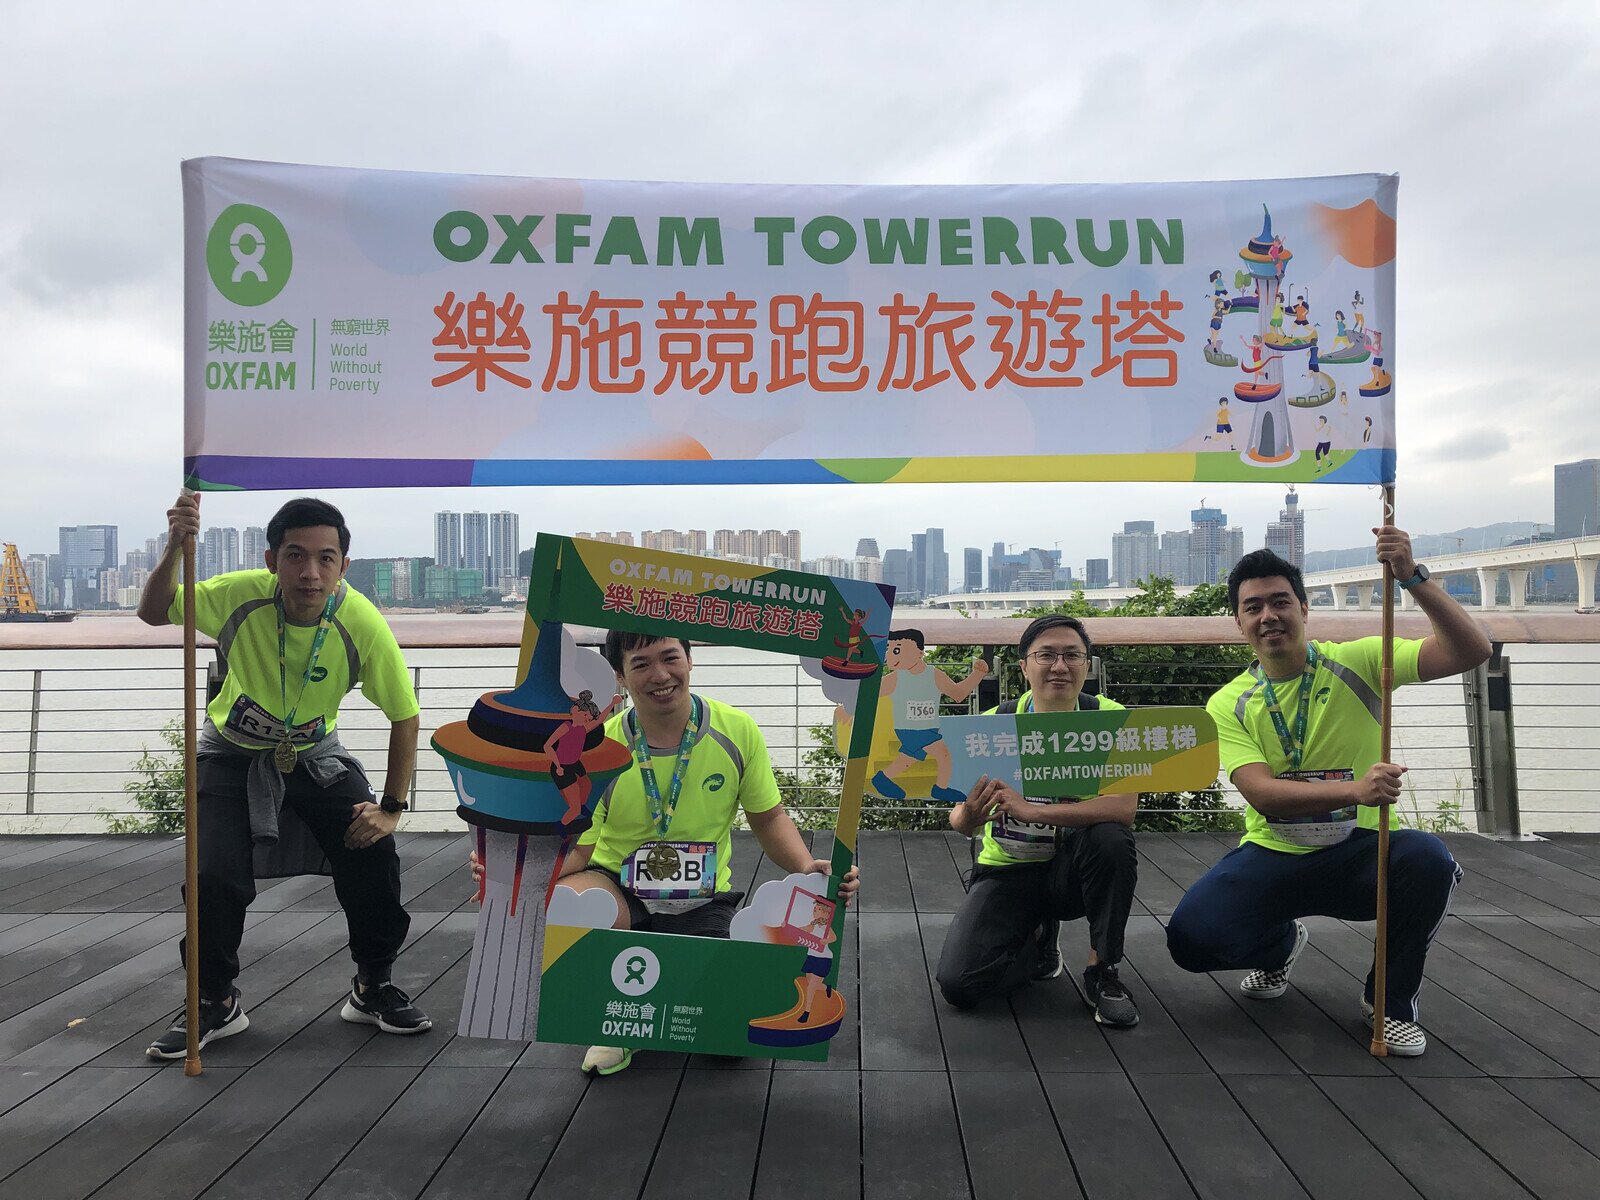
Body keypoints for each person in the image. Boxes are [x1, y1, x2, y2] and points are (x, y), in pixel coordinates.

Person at [471, 630, 858, 1076]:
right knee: (567, 905)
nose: (660, 675)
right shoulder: (600, 748)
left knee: (728, 1040)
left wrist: (808, 869)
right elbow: (582, 847)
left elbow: (768, 819)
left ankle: (661, 996)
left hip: (703, 895)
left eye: (669, 657)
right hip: (617, 886)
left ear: (690, 660)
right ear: (620, 676)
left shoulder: (737, 731)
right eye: (640, 664)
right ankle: (613, 1022)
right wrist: (519, 872)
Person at [1165, 532, 1491, 1055]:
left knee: (1428, 859)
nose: (1268, 616)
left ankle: (1390, 1001)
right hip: (1276, 852)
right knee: (1190, 939)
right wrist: (1357, 788)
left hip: (1358, 853)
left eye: (1279, 602)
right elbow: (1262, 795)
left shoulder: (1361, 661)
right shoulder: (1229, 703)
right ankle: (1281, 944)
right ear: (1239, 622)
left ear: (1304, 608)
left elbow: (1470, 651)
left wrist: (1412, 578)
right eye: (1253, 607)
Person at [140, 493, 430, 1060]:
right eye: (295, 556)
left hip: (314, 754)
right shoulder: (238, 596)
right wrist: (176, 545)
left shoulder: (360, 620)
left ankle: (372, 985)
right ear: (272, 559)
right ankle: (215, 1001)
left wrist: (391, 807)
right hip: (231, 753)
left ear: (345, 565)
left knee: (371, 853)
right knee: (213, 873)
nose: (310, 573)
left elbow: (405, 715)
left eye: (326, 558)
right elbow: (155, 611)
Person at [935, 615, 1140, 1027]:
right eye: (1046, 655)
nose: (1059, 666)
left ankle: (1103, 971)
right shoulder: (993, 726)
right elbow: (959, 820)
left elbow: (1123, 808)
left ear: (1088, 665)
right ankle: (1037, 941)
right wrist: (969, 816)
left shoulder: (1110, 719)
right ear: (1024, 666)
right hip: (1009, 870)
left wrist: (1035, 811)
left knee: (1112, 839)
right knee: (960, 985)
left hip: (1076, 871)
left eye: (1072, 655)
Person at [870, 629, 988, 803]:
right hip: (909, 729)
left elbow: (958, 694)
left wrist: (978, 675)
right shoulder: (895, 678)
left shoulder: (934, 675)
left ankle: (883, 778)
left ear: (920, 652)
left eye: (897, 650)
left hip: (928, 728)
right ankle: (939, 788)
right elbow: (868, 694)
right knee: (943, 754)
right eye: (889, 650)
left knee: (909, 759)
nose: (889, 656)